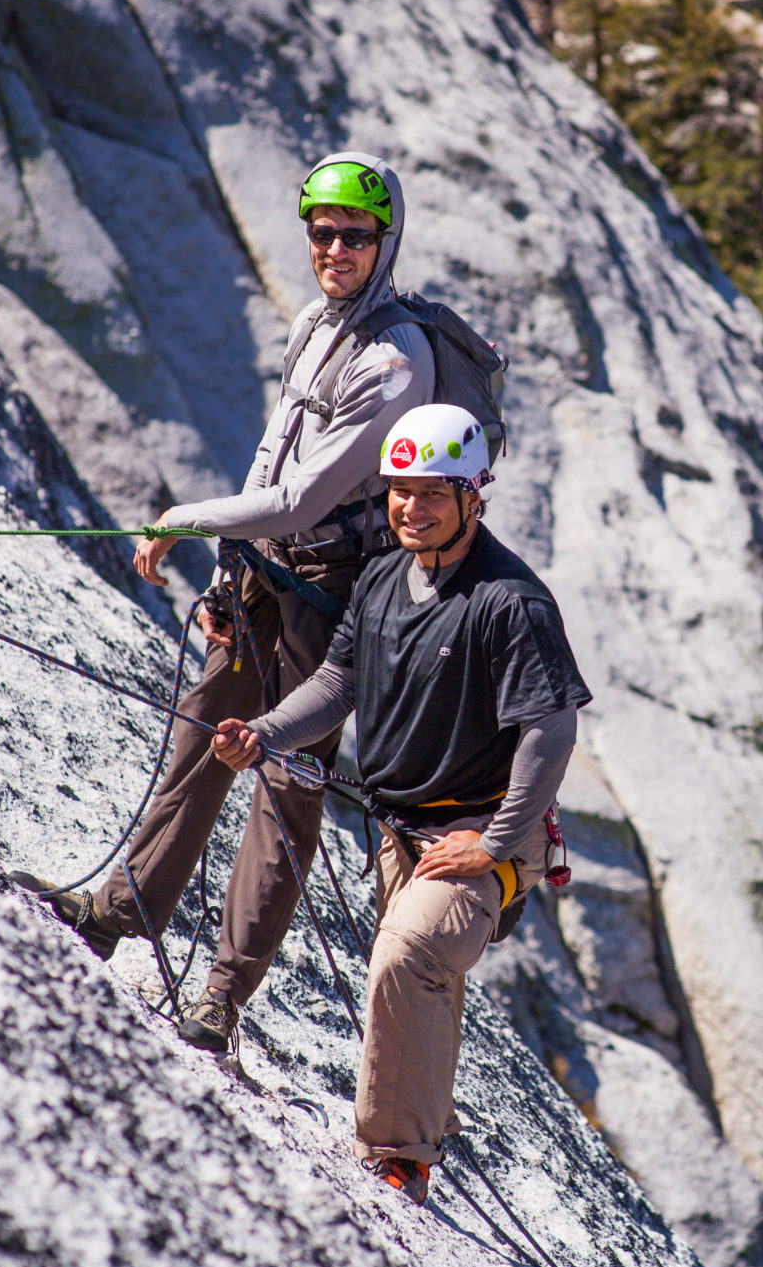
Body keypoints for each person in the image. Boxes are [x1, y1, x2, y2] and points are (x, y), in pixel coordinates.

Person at [14, 152, 435, 1053]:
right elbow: (270, 457)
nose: (333, 248)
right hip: (262, 573)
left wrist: (180, 519)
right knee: (203, 727)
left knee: (286, 785)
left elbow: (305, 499)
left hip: (330, 596)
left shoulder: (398, 360)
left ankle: (222, 999)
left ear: (384, 240)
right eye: (320, 231)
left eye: (354, 235)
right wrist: (221, 564)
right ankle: (120, 907)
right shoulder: (317, 324)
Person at [210, 403, 591, 1205]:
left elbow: (551, 732)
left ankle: (397, 1160)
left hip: (482, 836)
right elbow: (340, 682)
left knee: (409, 954)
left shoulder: (509, 601)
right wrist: (269, 731)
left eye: (431, 494)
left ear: (471, 498)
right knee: (422, 978)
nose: (410, 508)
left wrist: (494, 843)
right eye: (400, 492)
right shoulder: (384, 577)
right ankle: (419, 1132)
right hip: (404, 829)